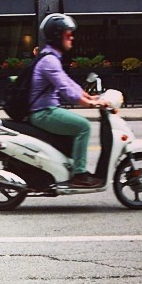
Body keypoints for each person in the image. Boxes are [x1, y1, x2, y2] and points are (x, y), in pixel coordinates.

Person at [28, 13, 108, 188]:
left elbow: (68, 83)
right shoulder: (49, 60)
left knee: (75, 128)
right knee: (83, 126)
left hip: (46, 109)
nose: (71, 36)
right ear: (57, 36)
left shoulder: (51, 57)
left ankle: (67, 168)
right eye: (67, 33)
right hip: (43, 112)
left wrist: (90, 96)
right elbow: (66, 90)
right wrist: (89, 104)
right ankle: (79, 174)